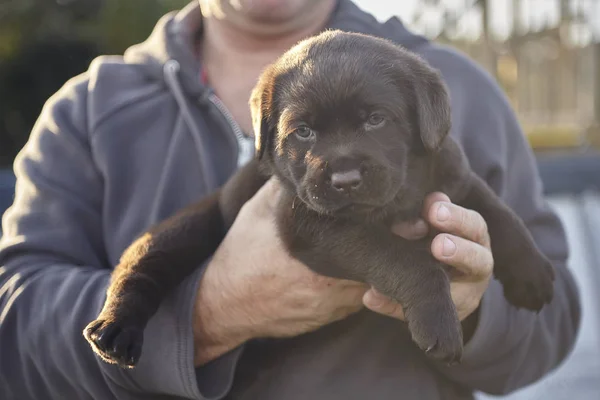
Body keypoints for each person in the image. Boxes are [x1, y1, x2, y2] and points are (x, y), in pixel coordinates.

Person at [0, 1, 581, 399]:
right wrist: (204, 315)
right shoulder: (88, 112)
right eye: (303, 132)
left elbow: (551, 310)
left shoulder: (447, 82)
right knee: (171, 245)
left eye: (374, 119)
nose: (345, 165)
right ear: (268, 134)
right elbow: (14, 331)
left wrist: (474, 307)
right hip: (194, 258)